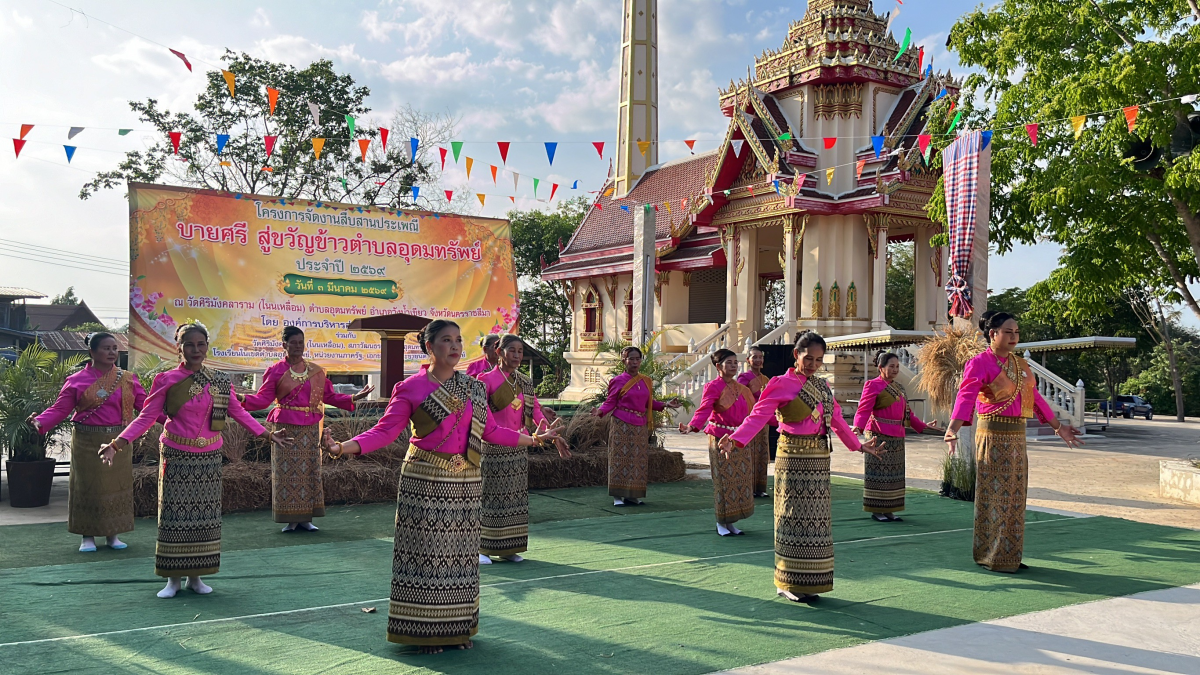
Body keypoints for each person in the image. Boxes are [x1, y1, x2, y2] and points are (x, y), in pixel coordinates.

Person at [322, 320, 559, 653]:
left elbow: (491, 431)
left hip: (466, 481)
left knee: (460, 559)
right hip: (425, 479)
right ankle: (423, 633)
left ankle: (456, 629)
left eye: (458, 340)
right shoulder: (411, 387)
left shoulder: (474, 388)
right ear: (429, 346)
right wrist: (343, 447)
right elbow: (385, 432)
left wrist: (534, 439)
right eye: (446, 340)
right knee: (426, 556)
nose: (455, 345)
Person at [99, 322, 292, 599]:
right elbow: (147, 416)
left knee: (205, 518)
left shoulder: (220, 381)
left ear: (207, 346)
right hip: (177, 454)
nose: (196, 349)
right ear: (179, 348)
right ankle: (172, 580)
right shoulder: (165, 380)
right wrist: (118, 444)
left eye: (201, 344)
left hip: (210, 457)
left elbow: (239, 413)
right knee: (174, 517)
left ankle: (196, 577)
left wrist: (267, 435)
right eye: (189, 344)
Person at [719, 332, 880, 603]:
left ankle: (811, 579)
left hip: (819, 459)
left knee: (816, 522)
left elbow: (837, 419)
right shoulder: (781, 383)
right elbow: (758, 415)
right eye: (808, 359)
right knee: (791, 518)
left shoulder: (822, 386)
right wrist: (735, 441)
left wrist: (857, 445)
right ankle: (787, 581)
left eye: (818, 360)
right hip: (792, 458)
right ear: (796, 355)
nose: (813, 365)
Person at [946, 311, 1083, 573]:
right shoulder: (979, 363)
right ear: (992, 334)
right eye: (1008, 332)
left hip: (1017, 439)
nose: (1014, 337)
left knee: (1015, 498)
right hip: (992, 437)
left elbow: (1036, 399)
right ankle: (991, 554)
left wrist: (1058, 427)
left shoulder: (1021, 365)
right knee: (996, 496)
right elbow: (966, 397)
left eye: (1016, 332)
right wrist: (952, 429)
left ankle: (1009, 553)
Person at [240, 326, 374, 532]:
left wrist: (354, 398)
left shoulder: (315, 371)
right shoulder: (276, 370)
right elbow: (262, 399)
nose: (297, 346)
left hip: (310, 427)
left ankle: (306, 518)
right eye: (293, 342)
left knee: (310, 470)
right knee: (288, 474)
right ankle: (290, 519)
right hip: (285, 428)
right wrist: (240, 399)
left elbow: (328, 396)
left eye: (301, 342)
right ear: (284, 345)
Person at [30, 332, 146, 552]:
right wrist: (40, 422)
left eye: (115, 348)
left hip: (118, 442)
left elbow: (146, 407)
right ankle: (87, 536)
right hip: (86, 441)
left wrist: (172, 419)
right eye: (106, 348)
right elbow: (61, 409)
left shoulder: (128, 378)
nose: (112, 352)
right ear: (91, 352)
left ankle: (113, 534)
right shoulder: (76, 381)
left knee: (115, 487)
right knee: (87, 487)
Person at [477, 334, 570, 563]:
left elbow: (535, 411)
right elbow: (481, 419)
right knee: (491, 496)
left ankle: (509, 547)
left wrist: (552, 436)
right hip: (493, 445)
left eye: (520, 351)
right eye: (512, 351)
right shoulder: (484, 380)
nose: (517, 355)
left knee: (515, 497)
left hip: (520, 445)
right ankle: (482, 548)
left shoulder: (525, 381)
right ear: (499, 352)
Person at [852, 351, 941, 522]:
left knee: (894, 476)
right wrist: (858, 427)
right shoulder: (873, 385)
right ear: (881, 368)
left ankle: (890, 510)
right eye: (891, 366)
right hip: (878, 435)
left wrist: (924, 426)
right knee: (879, 474)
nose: (895, 370)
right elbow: (863, 409)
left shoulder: (899, 388)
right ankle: (877, 510)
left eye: (897, 367)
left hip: (898, 437)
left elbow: (908, 414)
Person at [679, 349, 756, 536]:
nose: (734, 366)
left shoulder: (742, 389)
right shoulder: (713, 387)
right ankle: (721, 523)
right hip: (719, 438)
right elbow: (704, 410)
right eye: (729, 362)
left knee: (739, 481)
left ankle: (732, 522)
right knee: (723, 480)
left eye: (735, 362)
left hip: (738, 440)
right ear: (718, 366)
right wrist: (691, 426)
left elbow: (753, 413)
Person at [593, 346, 681, 506]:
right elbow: (610, 402)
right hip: (621, 423)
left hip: (640, 425)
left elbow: (648, 403)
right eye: (631, 359)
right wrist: (599, 412)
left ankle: (632, 495)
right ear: (624, 361)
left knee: (637, 460)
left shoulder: (646, 380)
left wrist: (666, 404)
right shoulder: (617, 381)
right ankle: (618, 496)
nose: (634, 362)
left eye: (637, 359)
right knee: (620, 458)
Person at [737, 345, 773, 497]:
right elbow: (741, 398)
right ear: (748, 360)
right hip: (750, 421)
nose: (758, 360)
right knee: (749, 453)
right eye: (754, 357)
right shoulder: (743, 378)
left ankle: (760, 488)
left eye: (760, 357)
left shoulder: (766, 379)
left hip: (764, 422)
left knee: (762, 453)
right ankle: (748, 488)